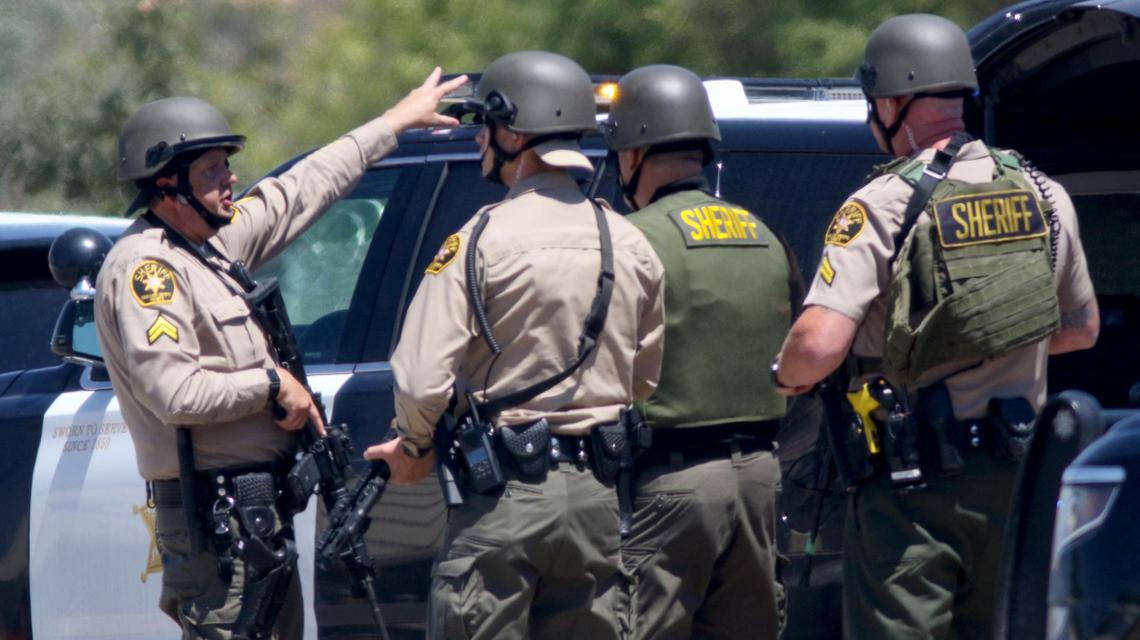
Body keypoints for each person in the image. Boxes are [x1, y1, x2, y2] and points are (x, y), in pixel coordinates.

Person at [95, 68, 467, 639]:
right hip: (217, 523)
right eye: (212, 169)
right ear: (168, 183)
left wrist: (394, 123)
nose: (230, 177)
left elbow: (300, 190)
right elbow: (174, 393)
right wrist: (271, 385)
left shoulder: (209, 246)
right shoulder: (150, 270)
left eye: (227, 165)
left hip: (255, 517)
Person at [772, 14, 1099, 639]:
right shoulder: (1043, 192)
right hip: (1019, 475)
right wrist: (992, 346)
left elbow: (817, 345)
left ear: (890, 103)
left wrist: (785, 379)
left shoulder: (883, 203)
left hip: (913, 487)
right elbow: (1081, 327)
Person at [363, 51, 666, 639]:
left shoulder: (479, 239)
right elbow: (644, 379)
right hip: (597, 503)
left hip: (506, 499)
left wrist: (415, 445)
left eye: (486, 125)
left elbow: (421, 380)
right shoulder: (628, 242)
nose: (480, 139)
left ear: (515, 134)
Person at [602, 64, 795, 639]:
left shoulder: (630, 237)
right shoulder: (763, 232)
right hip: (760, 479)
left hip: (671, 482)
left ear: (631, 154)